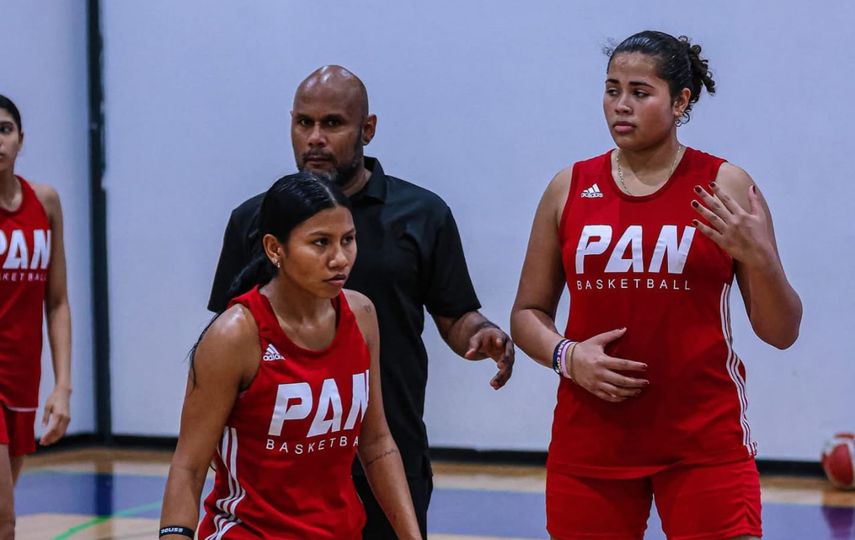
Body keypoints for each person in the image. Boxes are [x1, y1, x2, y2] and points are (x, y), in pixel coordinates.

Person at [510, 31, 802, 540]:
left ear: (680, 100)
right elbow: (527, 312)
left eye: (640, 92)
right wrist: (566, 356)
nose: (621, 106)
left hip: (704, 445)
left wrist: (760, 258)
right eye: (612, 89)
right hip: (591, 445)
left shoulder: (725, 186)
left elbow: (782, 331)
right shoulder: (570, 186)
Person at [208, 65, 514, 538]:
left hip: (389, 449)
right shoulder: (255, 220)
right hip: (281, 472)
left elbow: (455, 314)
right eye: (303, 123)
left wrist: (481, 334)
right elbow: (224, 344)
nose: (314, 138)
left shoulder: (422, 214)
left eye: (332, 124)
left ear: (367, 129)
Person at [160, 173, 421, 539]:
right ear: (274, 248)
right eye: (320, 243)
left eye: (348, 240)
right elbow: (188, 467)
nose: (340, 258)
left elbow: (376, 442)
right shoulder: (235, 334)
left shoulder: (361, 315)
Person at [0, 95, 72, 537]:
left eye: (4, 129)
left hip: (22, 378)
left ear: (20, 140)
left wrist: (62, 386)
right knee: (4, 520)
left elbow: (58, 300)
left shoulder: (44, 202)